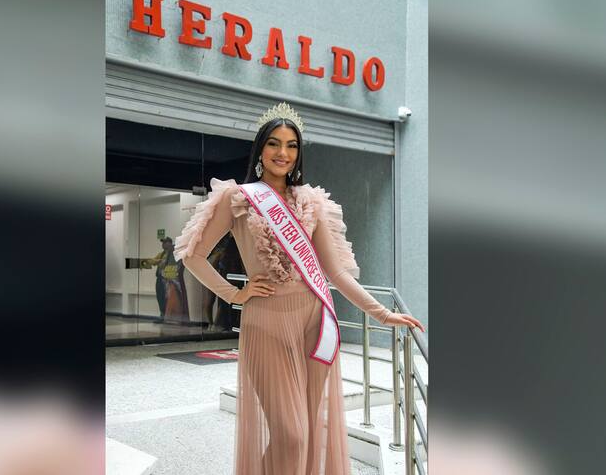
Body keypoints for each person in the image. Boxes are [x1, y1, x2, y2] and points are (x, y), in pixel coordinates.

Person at [173, 102, 424, 475]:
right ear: (260, 149)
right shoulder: (238, 197)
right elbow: (192, 256)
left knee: (305, 430)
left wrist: (382, 313)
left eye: (292, 145)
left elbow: (336, 273)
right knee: (290, 434)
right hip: (267, 323)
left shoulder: (311, 202)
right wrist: (234, 294)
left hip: (314, 322)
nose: (283, 153)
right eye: (274, 143)